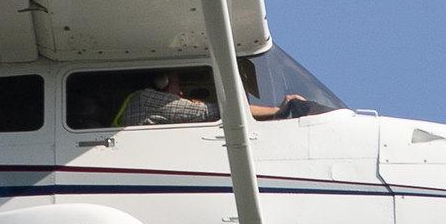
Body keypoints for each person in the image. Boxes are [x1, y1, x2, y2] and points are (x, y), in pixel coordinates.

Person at [114, 70, 308, 127]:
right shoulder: (149, 99)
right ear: (161, 82)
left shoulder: (143, 100)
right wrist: (280, 111)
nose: (181, 93)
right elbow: (221, 112)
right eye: (177, 84)